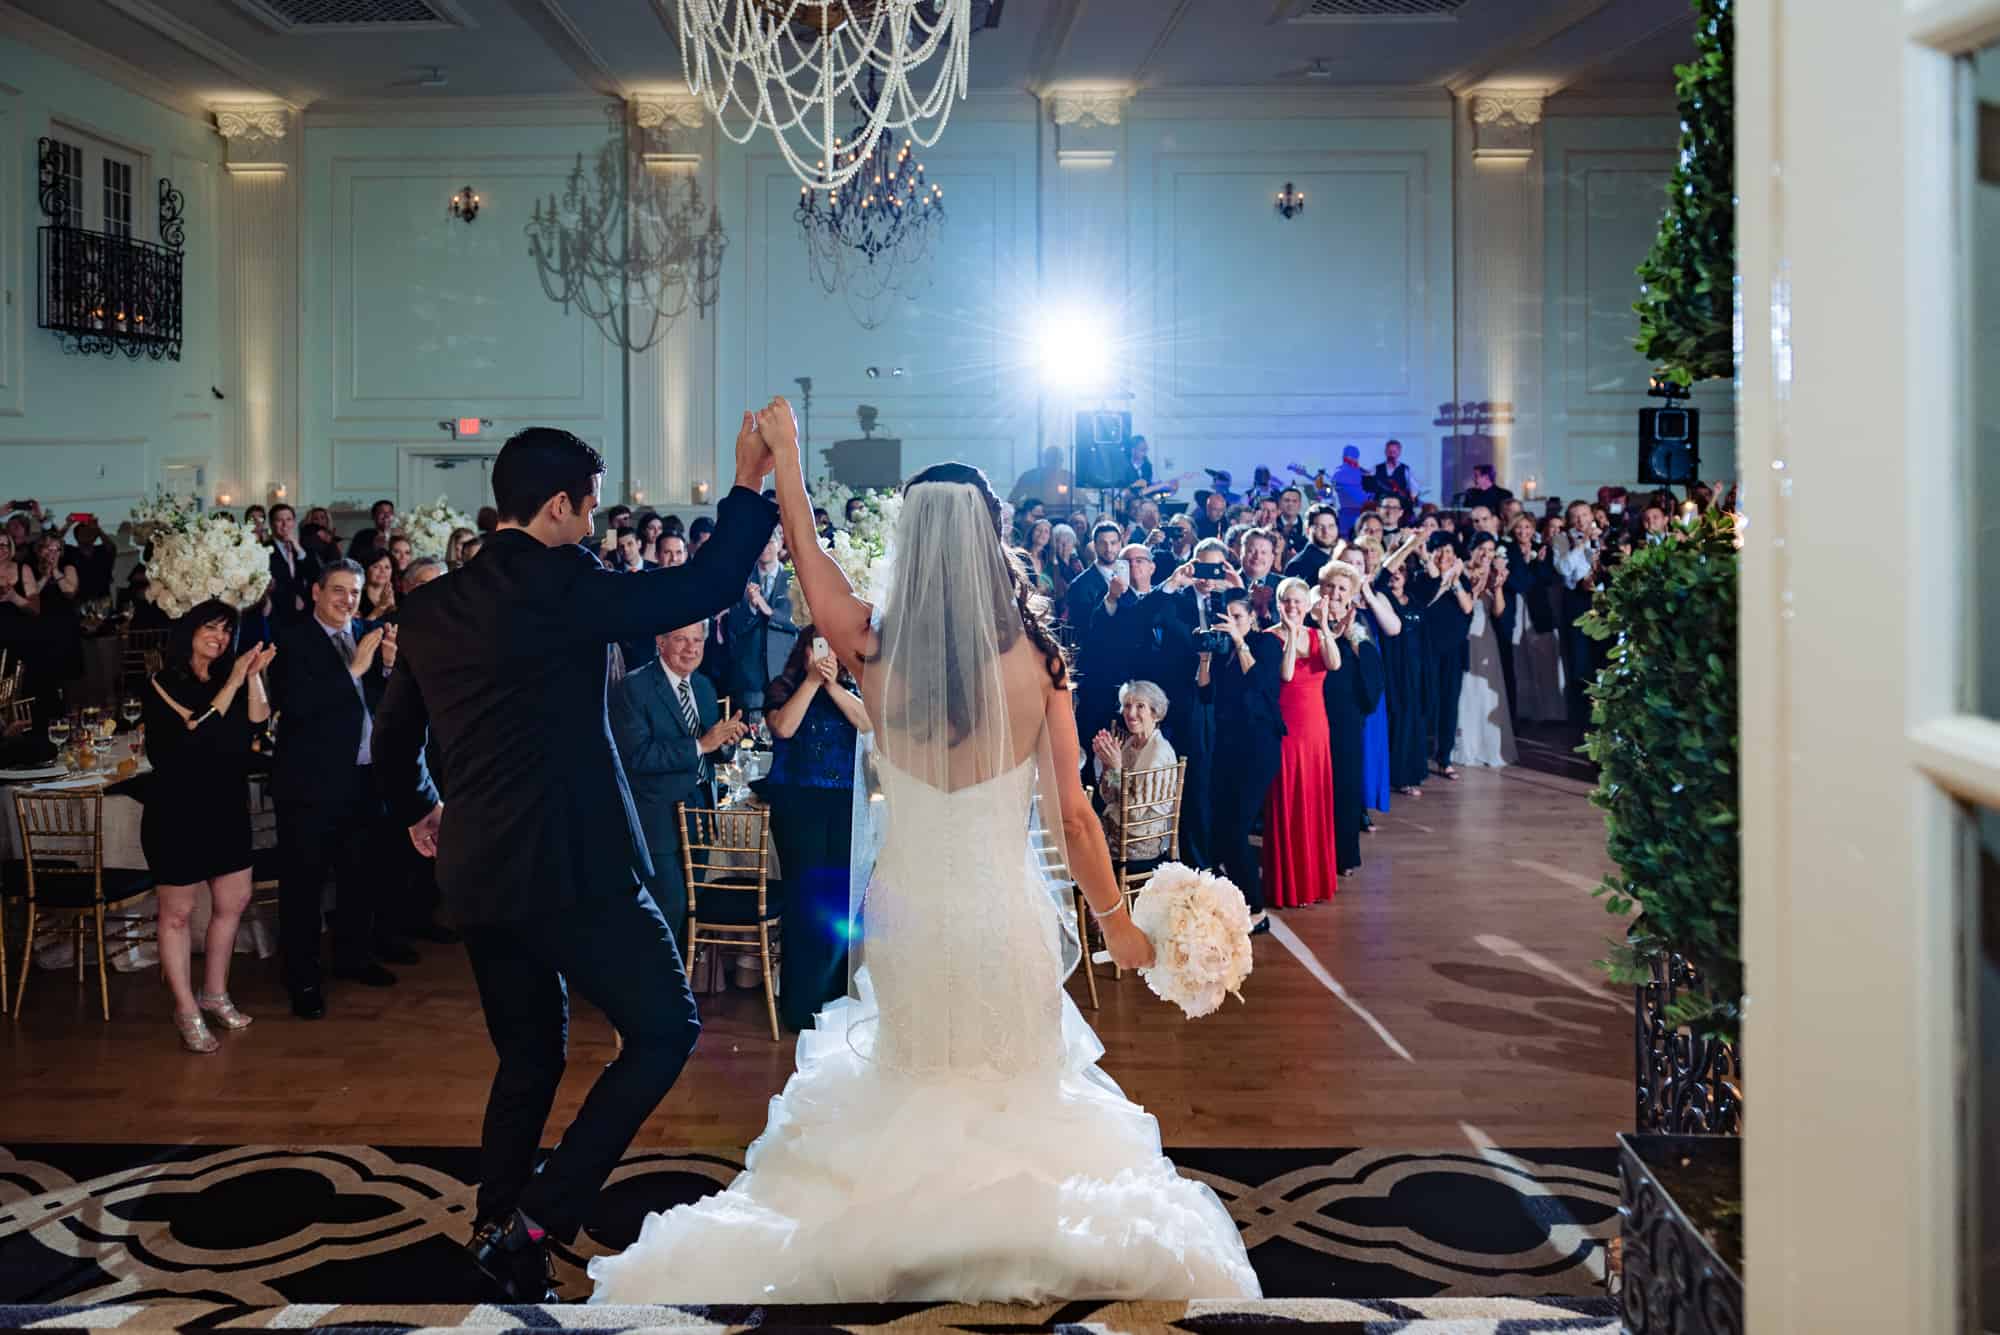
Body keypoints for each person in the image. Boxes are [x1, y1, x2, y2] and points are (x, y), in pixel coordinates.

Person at [586, 398, 1256, 1304]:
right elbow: (1075, 816)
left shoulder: (872, 646)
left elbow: (815, 576)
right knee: (1010, 1087)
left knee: (921, 1075)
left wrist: (785, 461)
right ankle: (1005, 1234)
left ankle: (906, 1235)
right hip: (1004, 914)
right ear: (991, 542)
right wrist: (1117, 928)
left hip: (906, 911)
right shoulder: (1041, 660)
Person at [371, 420, 779, 1302]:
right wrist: (748, 483)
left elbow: (395, 732)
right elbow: (706, 582)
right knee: (667, 1027)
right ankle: (539, 1216)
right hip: (573, 870)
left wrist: (419, 808)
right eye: (589, 508)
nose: (593, 525)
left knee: (528, 1054)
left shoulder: (434, 604)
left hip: (478, 869)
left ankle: (498, 1229)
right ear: (557, 506)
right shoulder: (567, 584)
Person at [269, 560, 400, 1018]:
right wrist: (357, 668)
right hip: (309, 783)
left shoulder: (368, 631)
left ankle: (352, 957)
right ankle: (302, 979)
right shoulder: (291, 640)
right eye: (339, 591)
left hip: (364, 776)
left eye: (355, 592)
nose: (348, 601)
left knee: (359, 874)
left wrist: (385, 669)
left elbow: (387, 703)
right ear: (317, 592)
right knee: (304, 885)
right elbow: (297, 707)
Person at [142, 601, 274, 1054]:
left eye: (225, 632)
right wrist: (236, 679)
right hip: (176, 809)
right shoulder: (164, 682)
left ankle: (215, 993)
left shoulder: (229, 679)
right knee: (177, 913)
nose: (218, 638)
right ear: (190, 630)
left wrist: (252, 674)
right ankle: (185, 1008)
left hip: (224, 804)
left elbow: (258, 722)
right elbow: (196, 730)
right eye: (210, 629)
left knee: (232, 901)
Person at [610, 621, 747, 953]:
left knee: (691, 907)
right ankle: (652, 993)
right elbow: (637, 757)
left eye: (697, 640)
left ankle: (681, 991)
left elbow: (712, 749)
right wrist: (701, 745)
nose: (692, 648)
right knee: (665, 910)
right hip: (657, 819)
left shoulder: (702, 686)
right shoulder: (633, 688)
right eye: (681, 640)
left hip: (699, 814)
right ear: (660, 642)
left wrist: (727, 742)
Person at [764, 627, 871, 1030]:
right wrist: (811, 681)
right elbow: (784, 728)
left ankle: (835, 999)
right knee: (804, 901)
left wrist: (833, 687)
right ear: (805, 650)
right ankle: (800, 1007)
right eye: (820, 646)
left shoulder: (853, 690)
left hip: (844, 804)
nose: (829, 655)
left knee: (840, 902)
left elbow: (868, 724)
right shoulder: (784, 686)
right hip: (798, 805)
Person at [1203, 589, 1283, 932]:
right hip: (1227, 746)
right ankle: (1235, 901)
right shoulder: (1223, 651)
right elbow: (1206, 693)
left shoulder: (1266, 644)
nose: (1231, 622)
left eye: (1238, 616)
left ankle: (1257, 909)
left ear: (1251, 618)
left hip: (1259, 746)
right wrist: (1205, 657)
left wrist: (1239, 640)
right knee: (1221, 829)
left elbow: (1261, 683)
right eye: (1228, 616)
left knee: (1236, 829)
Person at [1262, 577, 1337, 908]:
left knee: (1314, 799)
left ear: (1309, 604)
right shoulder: (1269, 638)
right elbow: (1287, 675)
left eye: (1298, 601)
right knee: (1288, 799)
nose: (1292, 606)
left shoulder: (1317, 634)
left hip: (1316, 729)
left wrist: (1323, 626)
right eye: (1286, 600)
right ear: (1279, 604)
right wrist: (1292, 634)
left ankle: (1315, 881)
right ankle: (1290, 885)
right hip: (1287, 730)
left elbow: (1334, 663)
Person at [1317, 561, 1383, 876]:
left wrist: (1352, 640)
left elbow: (1371, 672)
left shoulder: (1359, 627)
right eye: (1331, 586)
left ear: (1351, 594)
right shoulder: (1309, 620)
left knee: (1344, 782)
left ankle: (1344, 855)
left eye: (1342, 588)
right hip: (1314, 709)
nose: (1335, 592)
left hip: (1345, 714)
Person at [1091, 679, 1177, 863]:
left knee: (1077, 847)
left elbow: (1132, 814)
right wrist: (1108, 765)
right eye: (1127, 706)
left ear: (1156, 713)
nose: (1131, 713)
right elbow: (1109, 798)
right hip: (1114, 827)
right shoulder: (1131, 744)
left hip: (1136, 842)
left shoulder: (1157, 754)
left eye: (1140, 706)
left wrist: (1115, 766)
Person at [1453, 537, 1518, 768]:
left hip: (1486, 637)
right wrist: (1476, 586)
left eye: (1490, 550)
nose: (1485, 554)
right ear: (1473, 549)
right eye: (1482, 549)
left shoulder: (1491, 575)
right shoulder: (1460, 571)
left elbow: (1498, 611)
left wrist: (1498, 587)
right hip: (1463, 634)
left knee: (1486, 691)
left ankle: (1489, 746)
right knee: (1466, 688)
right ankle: (1466, 744)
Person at [1506, 514, 1566, 722]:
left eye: (1527, 527)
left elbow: (1548, 579)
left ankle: (1552, 712)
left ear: (1533, 529)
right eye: (1519, 528)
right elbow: (1517, 583)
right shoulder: (1508, 550)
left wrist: (1539, 564)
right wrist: (1524, 563)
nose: (1523, 532)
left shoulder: (1543, 549)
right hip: (1517, 606)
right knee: (1520, 660)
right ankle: (1526, 711)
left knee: (1545, 659)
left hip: (1539, 608)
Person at [268, 504, 320, 620]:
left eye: (288, 519)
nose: (285, 525)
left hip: (305, 613)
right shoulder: (263, 549)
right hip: (276, 612)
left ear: (294, 522)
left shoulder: (304, 548)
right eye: (279, 520)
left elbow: (316, 575)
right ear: (271, 524)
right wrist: (292, 598)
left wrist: (299, 549)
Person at [1283, 503, 1342, 584]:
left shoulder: (1340, 557)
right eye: (1320, 527)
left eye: (1331, 526)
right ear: (1307, 530)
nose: (1326, 532)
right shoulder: (1298, 565)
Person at [1008, 445, 1074, 507]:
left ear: (1062, 460)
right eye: (1052, 460)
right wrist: (1024, 510)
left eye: (1058, 460)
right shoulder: (1029, 477)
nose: (1055, 463)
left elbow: (1082, 499)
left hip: (1064, 517)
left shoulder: (1069, 478)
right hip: (1035, 517)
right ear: (1045, 460)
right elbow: (1012, 500)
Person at [1331, 446, 1369, 534]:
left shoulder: (1360, 472)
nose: (1353, 459)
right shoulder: (1340, 472)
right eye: (1351, 456)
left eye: (1355, 456)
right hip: (1345, 513)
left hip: (1359, 512)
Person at [358, 549, 398, 621]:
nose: (383, 571)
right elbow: (360, 630)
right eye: (376, 566)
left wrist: (392, 607)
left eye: (387, 567)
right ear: (366, 569)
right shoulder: (357, 597)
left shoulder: (399, 597)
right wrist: (380, 607)